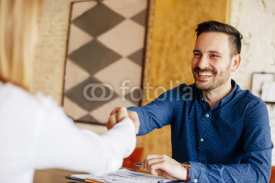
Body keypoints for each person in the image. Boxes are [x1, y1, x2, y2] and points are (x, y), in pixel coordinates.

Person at [107, 21, 273, 182]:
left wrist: (188, 171)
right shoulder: (180, 96)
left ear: (234, 63)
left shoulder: (252, 108)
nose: (201, 63)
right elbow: (148, 115)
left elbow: (258, 173)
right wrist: (130, 118)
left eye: (214, 55)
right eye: (197, 54)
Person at [0, 0, 136, 182]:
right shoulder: (26, 111)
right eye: (36, 23)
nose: (38, 36)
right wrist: (126, 125)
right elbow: (104, 156)